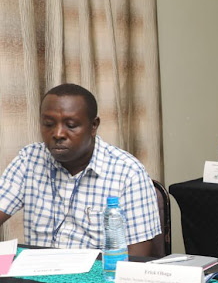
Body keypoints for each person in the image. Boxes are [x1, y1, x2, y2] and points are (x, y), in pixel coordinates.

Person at [0, 84, 160, 256]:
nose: (58, 134)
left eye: (71, 125)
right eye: (48, 124)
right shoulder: (29, 160)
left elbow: (137, 258)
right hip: (37, 277)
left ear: (93, 126)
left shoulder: (128, 172)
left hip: (97, 279)